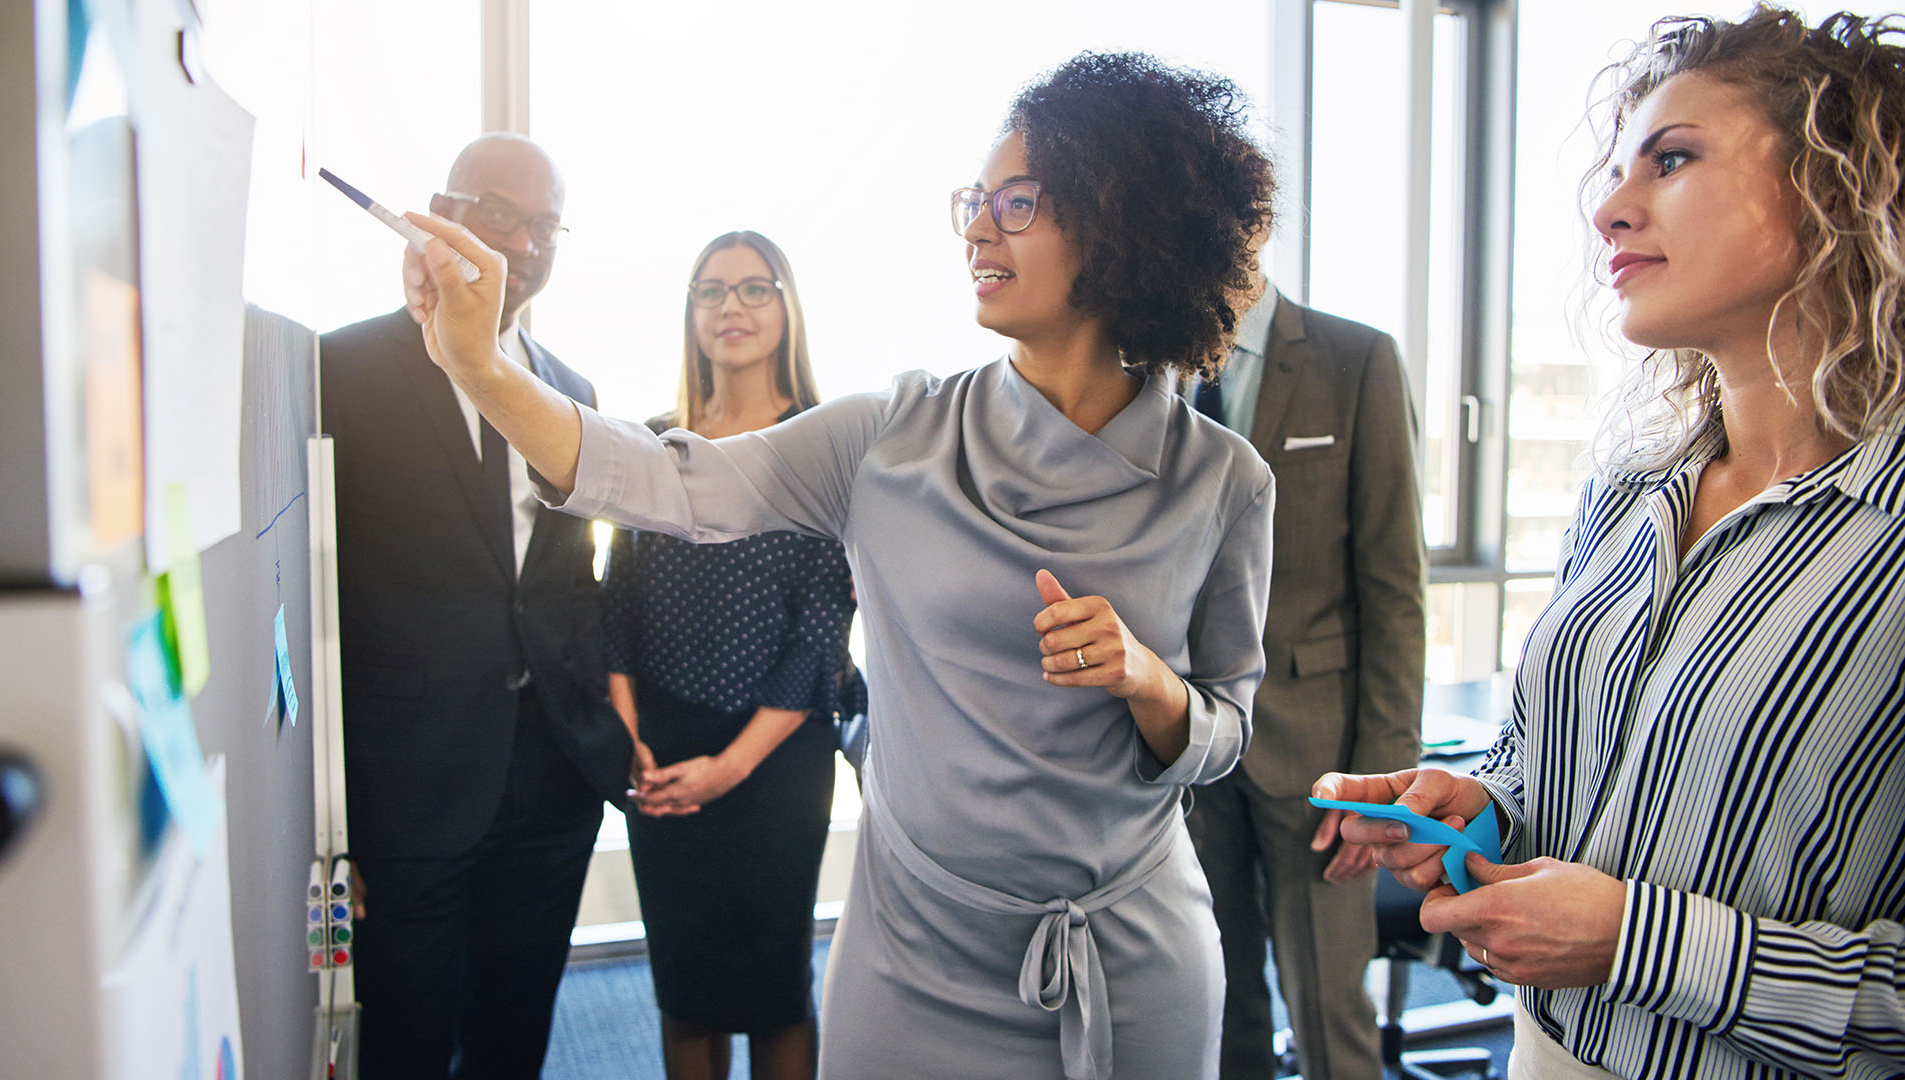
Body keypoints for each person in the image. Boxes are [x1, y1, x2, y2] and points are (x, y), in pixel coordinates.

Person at [403, 52, 1276, 1080]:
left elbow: (1224, 732)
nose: (979, 229)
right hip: (916, 957)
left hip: (1131, 959)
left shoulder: (1225, 481)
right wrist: (481, 367)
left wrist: (1149, 680)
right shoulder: (888, 437)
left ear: (1123, 223)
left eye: (1019, 201)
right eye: (976, 201)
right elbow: (659, 479)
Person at [1318, 8, 1905, 1079]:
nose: (1610, 209)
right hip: (1536, 1051)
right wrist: (1483, 809)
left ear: (1837, 187)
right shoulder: (1628, 494)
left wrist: (1640, 942)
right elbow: (1560, 774)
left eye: (1672, 160)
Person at [320, 132, 634, 1080]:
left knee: (514, 1030)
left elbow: (565, 582)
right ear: (442, 212)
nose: (526, 243)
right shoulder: (343, 369)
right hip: (407, 786)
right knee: (406, 1041)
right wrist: (336, 822)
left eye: (546, 225)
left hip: (550, 778)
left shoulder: (570, 392)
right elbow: (318, 598)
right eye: (501, 213)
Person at [600, 230, 857, 1080]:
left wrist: (731, 768)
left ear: (787, 308)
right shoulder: (653, 442)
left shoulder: (823, 448)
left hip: (776, 755)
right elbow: (618, 603)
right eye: (710, 291)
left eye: (754, 288)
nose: (730, 307)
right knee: (683, 985)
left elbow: (822, 628)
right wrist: (629, 741)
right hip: (661, 748)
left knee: (774, 986)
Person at [1184, 280, 1425, 1080]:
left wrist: (1381, 780)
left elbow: (1394, 589)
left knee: (1329, 1015)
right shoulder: (1147, 360)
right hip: (1185, 742)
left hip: (1321, 757)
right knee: (1215, 1003)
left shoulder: (1355, 359)